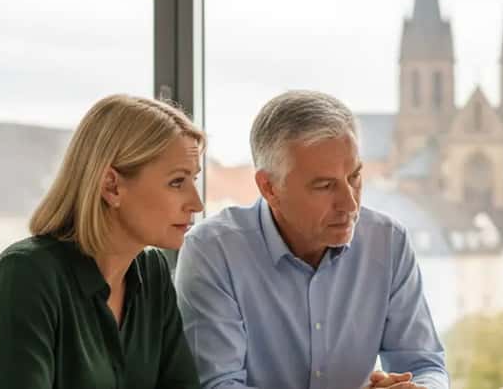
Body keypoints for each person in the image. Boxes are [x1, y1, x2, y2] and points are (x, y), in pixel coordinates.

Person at [176, 90, 448, 389]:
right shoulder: (214, 251)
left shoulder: (387, 241)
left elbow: (424, 363)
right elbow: (218, 385)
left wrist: (418, 388)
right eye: (324, 185)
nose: (350, 204)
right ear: (269, 188)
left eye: (354, 177)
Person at [0, 94, 204, 389]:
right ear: (111, 186)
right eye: (177, 182)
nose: (196, 203)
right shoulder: (26, 274)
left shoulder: (153, 273)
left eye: (194, 180)